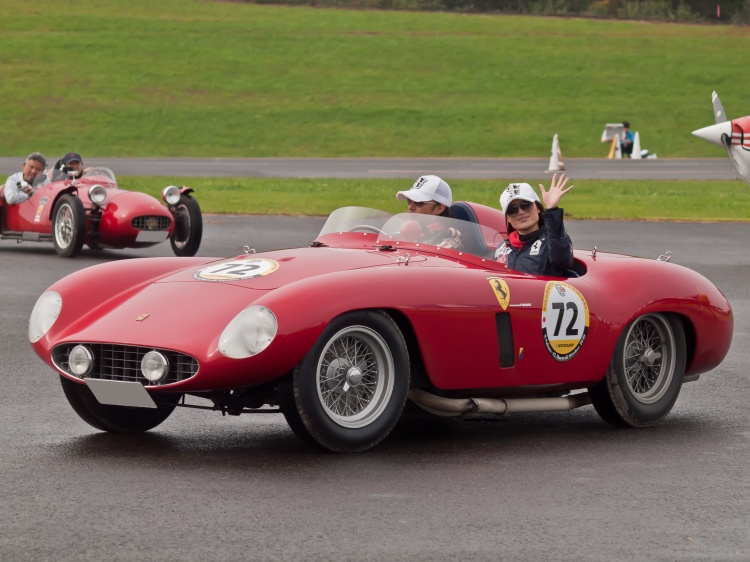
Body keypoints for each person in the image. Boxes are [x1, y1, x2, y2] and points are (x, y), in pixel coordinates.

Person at [495, 173, 575, 276]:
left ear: (538, 208)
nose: (521, 212)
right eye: (512, 210)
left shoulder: (553, 241)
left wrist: (551, 210)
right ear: (508, 218)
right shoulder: (502, 247)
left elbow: (563, 261)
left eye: (525, 205)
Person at [395, 175, 461, 248]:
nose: (410, 207)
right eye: (409, 200)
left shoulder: (451, 237)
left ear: (439, 208)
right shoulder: (409, 233)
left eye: (419, 202)